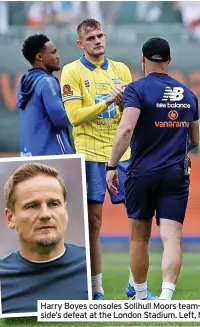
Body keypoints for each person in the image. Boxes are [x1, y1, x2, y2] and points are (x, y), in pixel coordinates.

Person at [106, 37, 200, 301]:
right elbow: (194, 140)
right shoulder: (188, 93)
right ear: (169, 60)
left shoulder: (136, 90)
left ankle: (140, 295)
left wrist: (111, 166)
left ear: (143, 59)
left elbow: (126, 129)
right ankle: (167, 298)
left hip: (142, 172)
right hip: (175, 173)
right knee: (172, 239)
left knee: (139, 239)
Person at [60, 18, 137, 300]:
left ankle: (136, 286)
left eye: (101, 35)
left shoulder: (121, 70)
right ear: (81, 44)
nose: (98, 41)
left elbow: (129, 115)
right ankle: (96, 289)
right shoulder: (72, 71)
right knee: (94, 222)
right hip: (90, 154)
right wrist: (107, 100)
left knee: (139, 219)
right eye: (91, 38)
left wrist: (120, 104)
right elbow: (74, 117)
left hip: (122, 153)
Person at [0, 163, 88, 314]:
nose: (45, 214)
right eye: (32, 206)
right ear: (10, 218)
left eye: (53, 204)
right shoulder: (0, 279)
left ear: (65, 210)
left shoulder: (89, 267)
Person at [17, 34, 73, 157]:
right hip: (54, 157)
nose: (58, 56)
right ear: (39, 57)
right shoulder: (48, 82)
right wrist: (86, 109)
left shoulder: (23, 82)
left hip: (29, 156)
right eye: (53, 52)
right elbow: (62, 119)